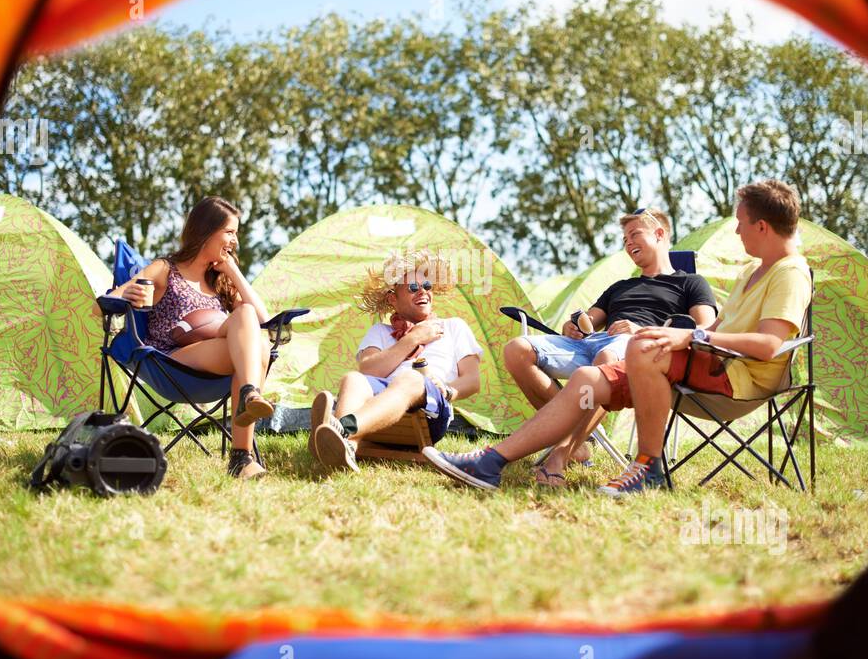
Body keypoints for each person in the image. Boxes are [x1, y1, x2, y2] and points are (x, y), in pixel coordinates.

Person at [423, 180, 811, 497]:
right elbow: (713, 333)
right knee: (588, 379)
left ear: (762, 226)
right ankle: (491, 461)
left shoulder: (789, 273)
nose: (737, 229)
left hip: (738, 379)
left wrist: (682, 335)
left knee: (634, 348)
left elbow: (768, 346)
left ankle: (648, 466)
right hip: (697, 364)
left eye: (741, 222)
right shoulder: (751, 272)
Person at [502, 206, 716, 485]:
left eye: (634, 234)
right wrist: (575, 325)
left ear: (660, 234)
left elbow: (704, 330)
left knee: (606, 358)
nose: (628, 244)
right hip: (593, 343)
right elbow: (590, 320)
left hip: (639, 348)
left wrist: (642, 331)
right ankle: (577, 440)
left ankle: (561, 454)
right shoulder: (620, 286)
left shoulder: (690, 283)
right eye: (625, 239)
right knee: (516, 349)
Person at [106, 196, 274, 479]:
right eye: (229, 232)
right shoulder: (165, 269)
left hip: (219, 358)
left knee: (253, 332)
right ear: (207, 231)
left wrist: (233, 270)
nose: (234, 240)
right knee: (253, 341)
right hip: (173, 363)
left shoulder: (220, 281)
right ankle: (243, 445)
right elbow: (112, 298)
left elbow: (262, 318)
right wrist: (129, 295)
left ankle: (243, 447)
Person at [310, 249, 483, 473]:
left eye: (427, 286)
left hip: (430, 410)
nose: (423, 292)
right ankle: (346, 448)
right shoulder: (380, 331)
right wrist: (414, 338)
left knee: (410, 378)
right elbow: (369, 370)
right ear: (393, 298)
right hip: (380, 404)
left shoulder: (453, 327)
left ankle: (341, 427)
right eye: (413, 288)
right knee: (352, 378)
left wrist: (448, 391)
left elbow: (472, 380)